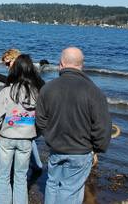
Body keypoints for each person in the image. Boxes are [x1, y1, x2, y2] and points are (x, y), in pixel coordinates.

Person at [36, 47, 111, 204]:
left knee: (53, 185)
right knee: (70, 190)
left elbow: (40, 120)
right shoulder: (94, 91)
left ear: (61, 64)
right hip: (80, 151)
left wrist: (49, 136)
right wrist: (97, 148)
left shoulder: (47, 88)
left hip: (56, 148)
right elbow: (102, 127)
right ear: (81, 65)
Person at [0, 49, 43, 186]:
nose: (6, 66)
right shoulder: (16, 76)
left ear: (16, 60)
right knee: (27, 141)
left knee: (7, 142)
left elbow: (42, 90)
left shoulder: (32, 79)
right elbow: (7, 83)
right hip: (22, 121)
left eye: (8, 63)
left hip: (22, 119)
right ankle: (37, 166)